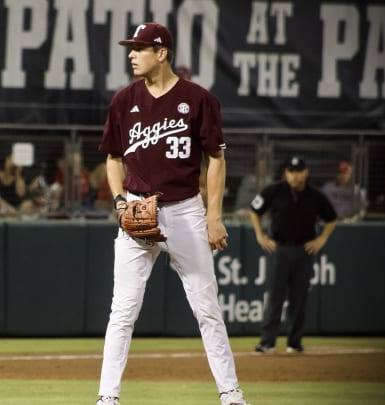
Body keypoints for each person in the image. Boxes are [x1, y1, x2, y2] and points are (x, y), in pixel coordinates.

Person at [96, 22, 249, 405]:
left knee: (207, 308)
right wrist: (119, 202)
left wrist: (214, 216)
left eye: (140, 48)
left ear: (162, 53)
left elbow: (216, 159)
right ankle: (107, 397)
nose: (131, 54)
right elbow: (113, 159)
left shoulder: (198, 99)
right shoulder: (122, 101)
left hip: (184, 212)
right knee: (123, 311)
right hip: (136, 209)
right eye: (131, 47)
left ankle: (230, 393)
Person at [250, 156, 337, 354]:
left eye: (298, 171)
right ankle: (267, 342)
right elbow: (255, 210)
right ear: (286, 173)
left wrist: (321, 240)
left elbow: (331, 219)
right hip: (279, 249)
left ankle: (294, 342)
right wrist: (260, 236)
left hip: (304, 250)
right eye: (291, 171)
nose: (294, 175)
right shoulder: (274, 190)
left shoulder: (315, 195)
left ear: (306, 172)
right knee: (275, 297)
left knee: (299, 298)